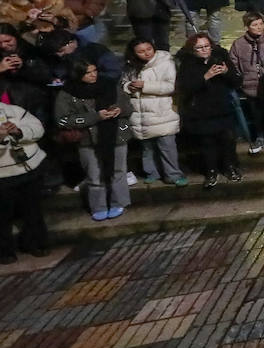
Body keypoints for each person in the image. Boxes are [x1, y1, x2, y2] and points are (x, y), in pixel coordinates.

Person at [55, 57, 132, 221]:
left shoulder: (110, 85)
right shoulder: (68, 93)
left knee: (118, 171)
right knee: (94, 175)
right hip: (88, 140)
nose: (93, 75)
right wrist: (94, 117)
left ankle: (118, 202)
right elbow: (62, 119)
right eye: (87, 73)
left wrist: (119, 109)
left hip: (115, 136)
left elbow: (128, 106)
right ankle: (99, 206)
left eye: (94, 70)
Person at [175, 33, 242, 188]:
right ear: (193, 50)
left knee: (228, 140)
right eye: (199, 47)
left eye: (206, 46)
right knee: (207, 143)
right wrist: (205, 77)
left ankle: (230, 167)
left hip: (222, 108)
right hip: (201, 111)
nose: (204, 50)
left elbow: (237, 81)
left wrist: (226, 72)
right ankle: (211, 171)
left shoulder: (220, 58)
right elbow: (185, 88)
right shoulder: (188, 64)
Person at [122, 38, 185, 187]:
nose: (146, 53)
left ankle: (173, 174)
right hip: (140, 113)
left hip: (162, 112)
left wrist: (146, 86)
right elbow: (123, 83)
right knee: (147, 147)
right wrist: (128, 87)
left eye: (149, 49)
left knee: (167, 146)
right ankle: (152, 172)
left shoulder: (166, 63)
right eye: (141, 51)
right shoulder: (130, 66)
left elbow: (171, 86)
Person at [0, 95, 50, 263]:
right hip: (2, 176)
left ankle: (35, 243)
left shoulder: (13, 110)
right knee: (2, 216)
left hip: (29, 169)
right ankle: (5, 251)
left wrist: (19, 131)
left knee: (33, 210)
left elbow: (38, 128)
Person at [228, 12, 264, 154]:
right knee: (256, 114)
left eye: (261, 23)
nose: (259, 27)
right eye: (255, 25)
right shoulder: (239, 44)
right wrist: (240, 78)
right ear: (247, 26)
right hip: (250, 86)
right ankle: (260, 137)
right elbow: (233, 63)